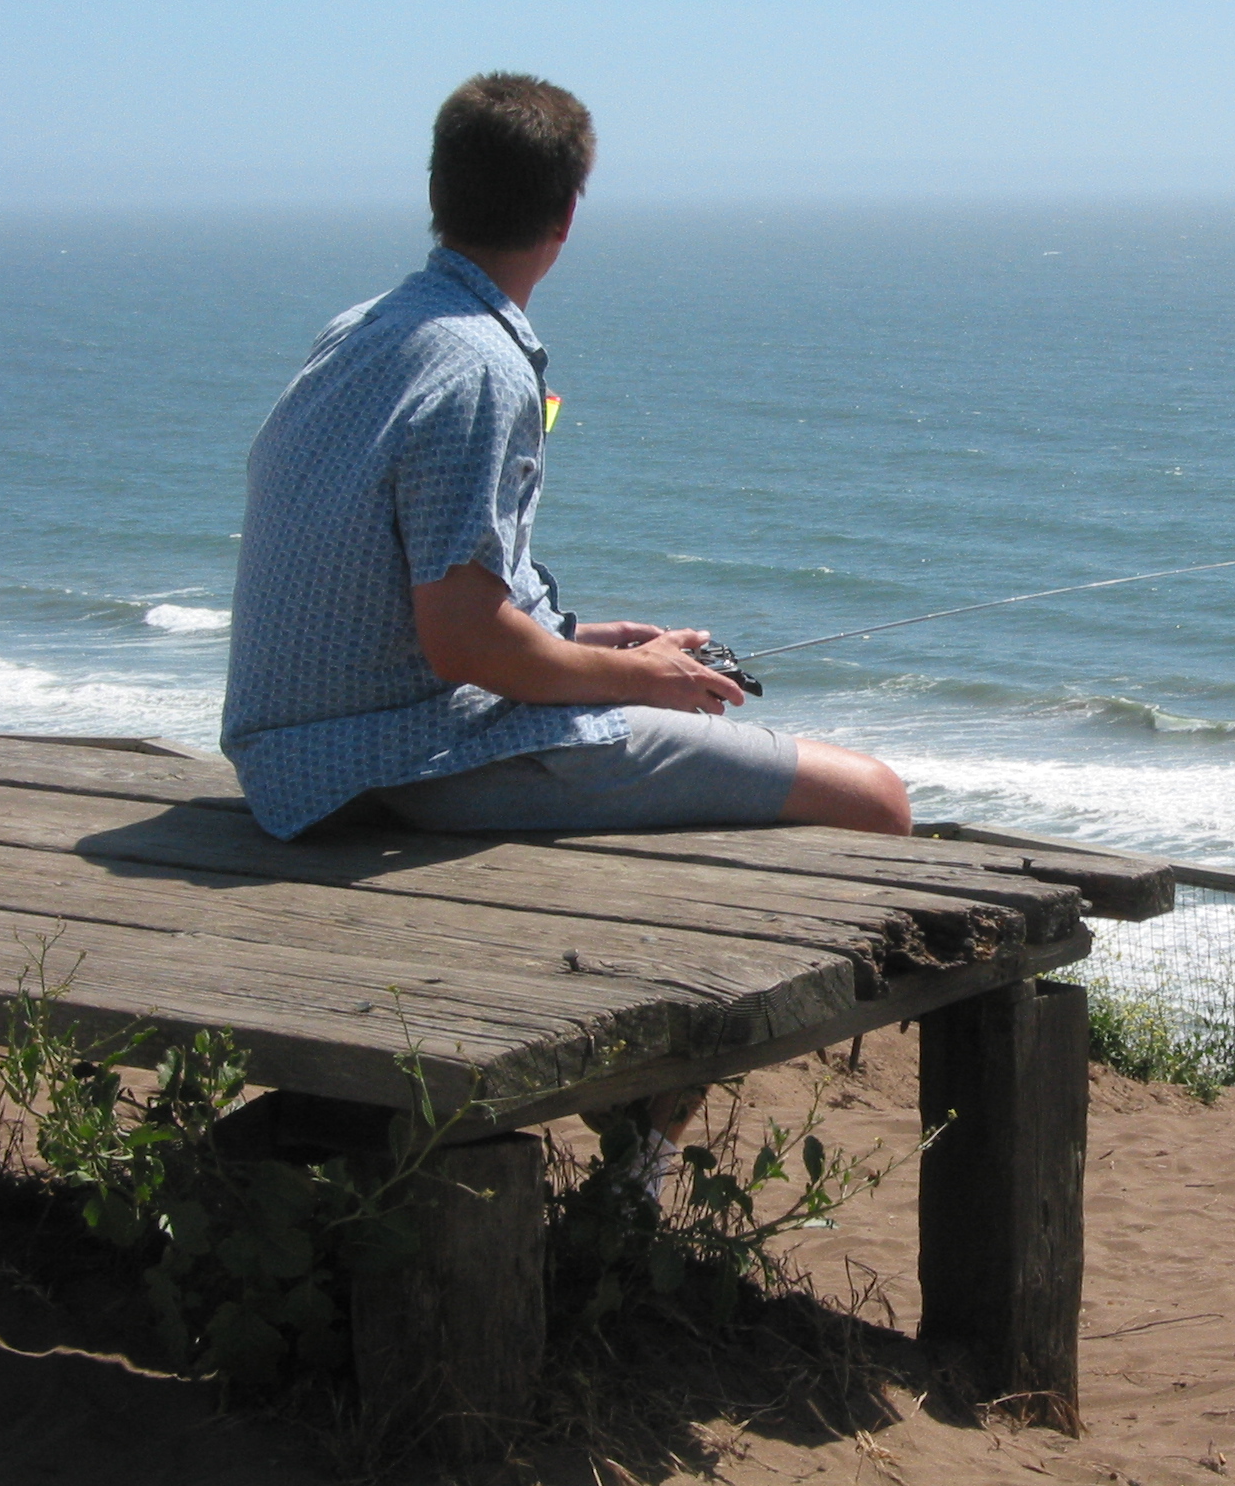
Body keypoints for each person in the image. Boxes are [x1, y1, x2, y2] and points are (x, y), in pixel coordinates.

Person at [222, 71, 910, 1187]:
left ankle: (645, 1099)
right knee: (875, 802)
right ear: (568, 215)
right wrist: (635, 683)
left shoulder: (366, 330)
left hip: (290, 745)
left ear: (438, 192)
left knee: (695, 753)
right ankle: (648, 1131)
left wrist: (594, 641)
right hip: (395, 753)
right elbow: (465, 650)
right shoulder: (485, 369)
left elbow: (444, 595)